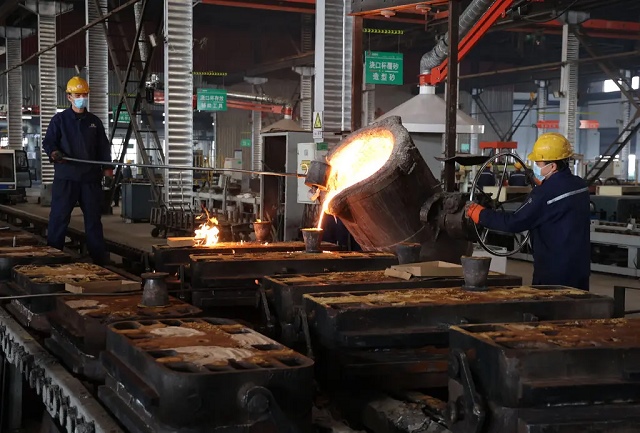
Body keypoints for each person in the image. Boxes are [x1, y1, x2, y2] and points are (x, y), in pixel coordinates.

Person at [466, 132, 590, 290]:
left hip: (554, 272)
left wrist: (479, 213)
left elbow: (514, 222)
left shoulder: (543, 194)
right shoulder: (580, 185)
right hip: (579, 267)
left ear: (552, 166)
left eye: (538, 163)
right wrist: (546, 185)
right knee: (580, 303)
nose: (536, 166)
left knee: (551, 305)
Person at [43, 76, 112, 265]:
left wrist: (108, 170)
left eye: (84, 94)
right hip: (67, 178)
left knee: (93, 221)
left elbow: (103, 148)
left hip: (90, 179)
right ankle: (53, 258)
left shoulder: (94, 122)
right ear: (69, 97)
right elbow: (49, 142)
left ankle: (99, 261)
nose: (82, 98)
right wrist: (54, 153)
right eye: (78, 95)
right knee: (59, 218)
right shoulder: (59, 120)